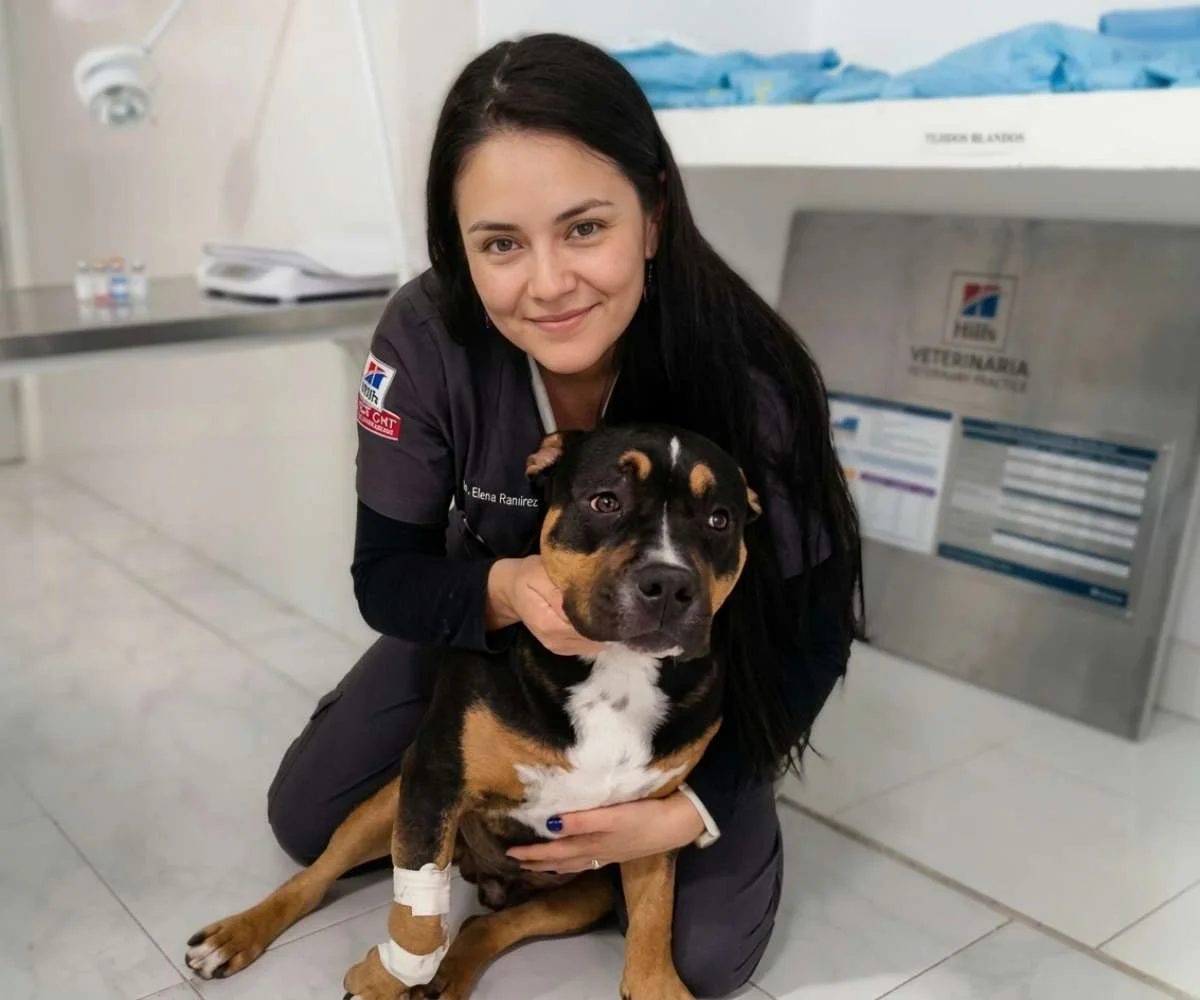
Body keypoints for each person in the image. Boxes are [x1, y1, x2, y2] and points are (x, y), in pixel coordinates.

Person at [266, 31, 862, 998]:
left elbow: (816, 623)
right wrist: (501, 586)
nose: (547, 284)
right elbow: (387, 574)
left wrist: (690, 809)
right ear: (458, 250)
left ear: (654, 216)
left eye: (585, 228)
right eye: (500, 243)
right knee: (307, 818)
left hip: (691, 678)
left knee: (701, 960)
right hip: (484, 629)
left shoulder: (747, 371)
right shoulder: (423, 343)